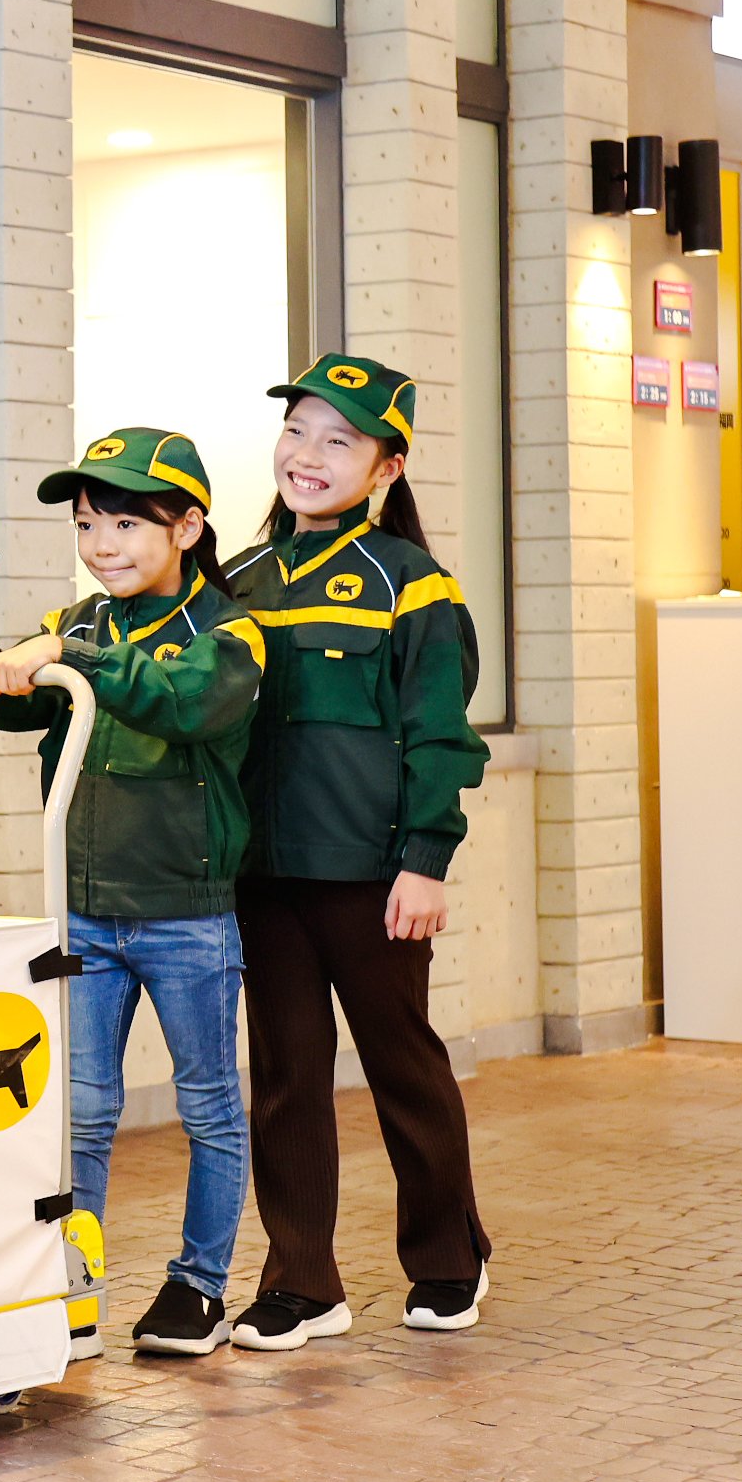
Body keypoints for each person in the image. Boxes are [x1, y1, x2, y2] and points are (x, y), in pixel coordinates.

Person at [0, 428, 263, 1357]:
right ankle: (69, 1284)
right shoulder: (81, 623)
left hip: (189, 921)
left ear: (191, 527)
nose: (104, 543)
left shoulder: (231, 636)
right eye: (89, 524)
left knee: (207, 1105)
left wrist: (60, 655)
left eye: (128, 522)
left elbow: (181, 702)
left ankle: (198, 1288)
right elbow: (14, 700)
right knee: (79, 1112)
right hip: (82, 912)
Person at [222, 353, 494, 1351]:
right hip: (264, 880)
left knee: (403, 1067)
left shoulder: (412, 585)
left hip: (375, 881)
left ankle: (447, 1261)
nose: (308, 454)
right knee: (286, 1078)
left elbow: (440, 735)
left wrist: (426, 859)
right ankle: (303, 1281)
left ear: (385, 468)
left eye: (340, 439)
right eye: (297, 431)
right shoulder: (235, 580)